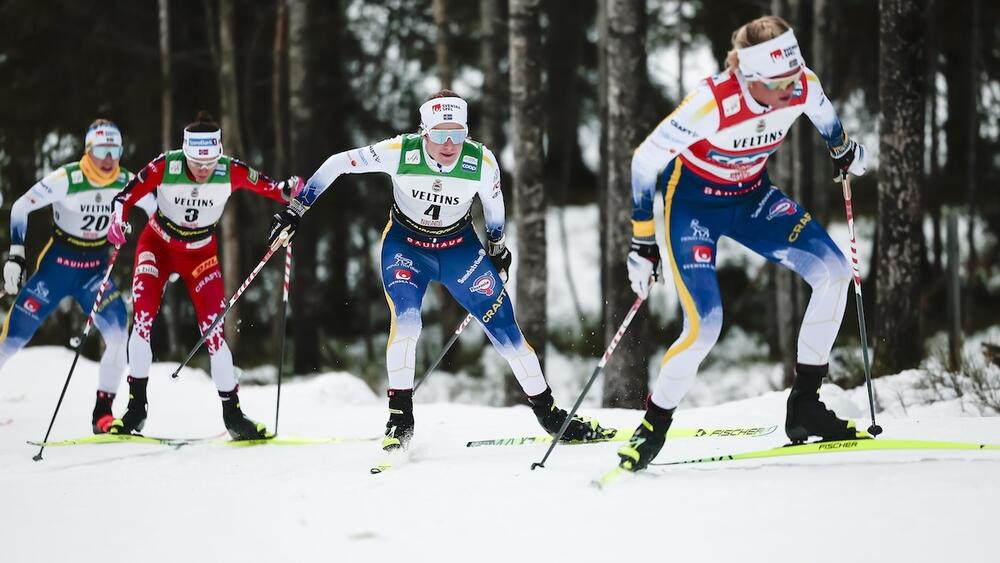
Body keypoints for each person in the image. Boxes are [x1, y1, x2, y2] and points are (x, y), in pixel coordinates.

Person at [267, 90, 615, 452]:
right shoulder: (400, 151)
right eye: (439, 134)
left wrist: (497, 247)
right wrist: (297, 210)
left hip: (458, 249)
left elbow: (494, 205)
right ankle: (399, 418)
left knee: (507, 332)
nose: (450, 145)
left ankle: (550, 416)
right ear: (424, 132)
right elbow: (338, 163)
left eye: (457, 134)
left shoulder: (481, 162)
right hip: (406, 247)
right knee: (408, 323)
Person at [617, 16, 869, 472]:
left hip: (753, 198)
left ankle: (805, 405)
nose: (791, 90)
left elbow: (825, 115)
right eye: (779, 84)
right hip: (693, 207)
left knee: (835, 274)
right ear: (748, 76)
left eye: (795, 77)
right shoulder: (711, 103)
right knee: (705, 326)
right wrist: (642, 241)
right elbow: (645, 159)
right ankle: (652, 426)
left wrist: (842, 149)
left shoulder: (801, 84)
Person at [106, 112, 301, 440]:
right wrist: (117, 220)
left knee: (214, 331)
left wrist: (290, 189)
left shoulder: (230, 170)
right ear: (185, 153)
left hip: (200, 254)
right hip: (157, 245)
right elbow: (124, 197)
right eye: (196, 162)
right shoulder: (166, 165)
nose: (203, 169)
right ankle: (136, 408)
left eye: (209, 162)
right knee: (142, 320)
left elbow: (276, 190)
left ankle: (233, 415)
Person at [1, 120, 155, 433]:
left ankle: (103, 413)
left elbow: (156, 214)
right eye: (101, 150)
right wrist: (16, 255)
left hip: (95, 271)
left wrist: (160, 256)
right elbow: (20, 207)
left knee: (118, 335)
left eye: (115, 150)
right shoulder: (68, 178)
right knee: (13, 339)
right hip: (57, 267)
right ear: (88, 150)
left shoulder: (126, 181)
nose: (108, 159)